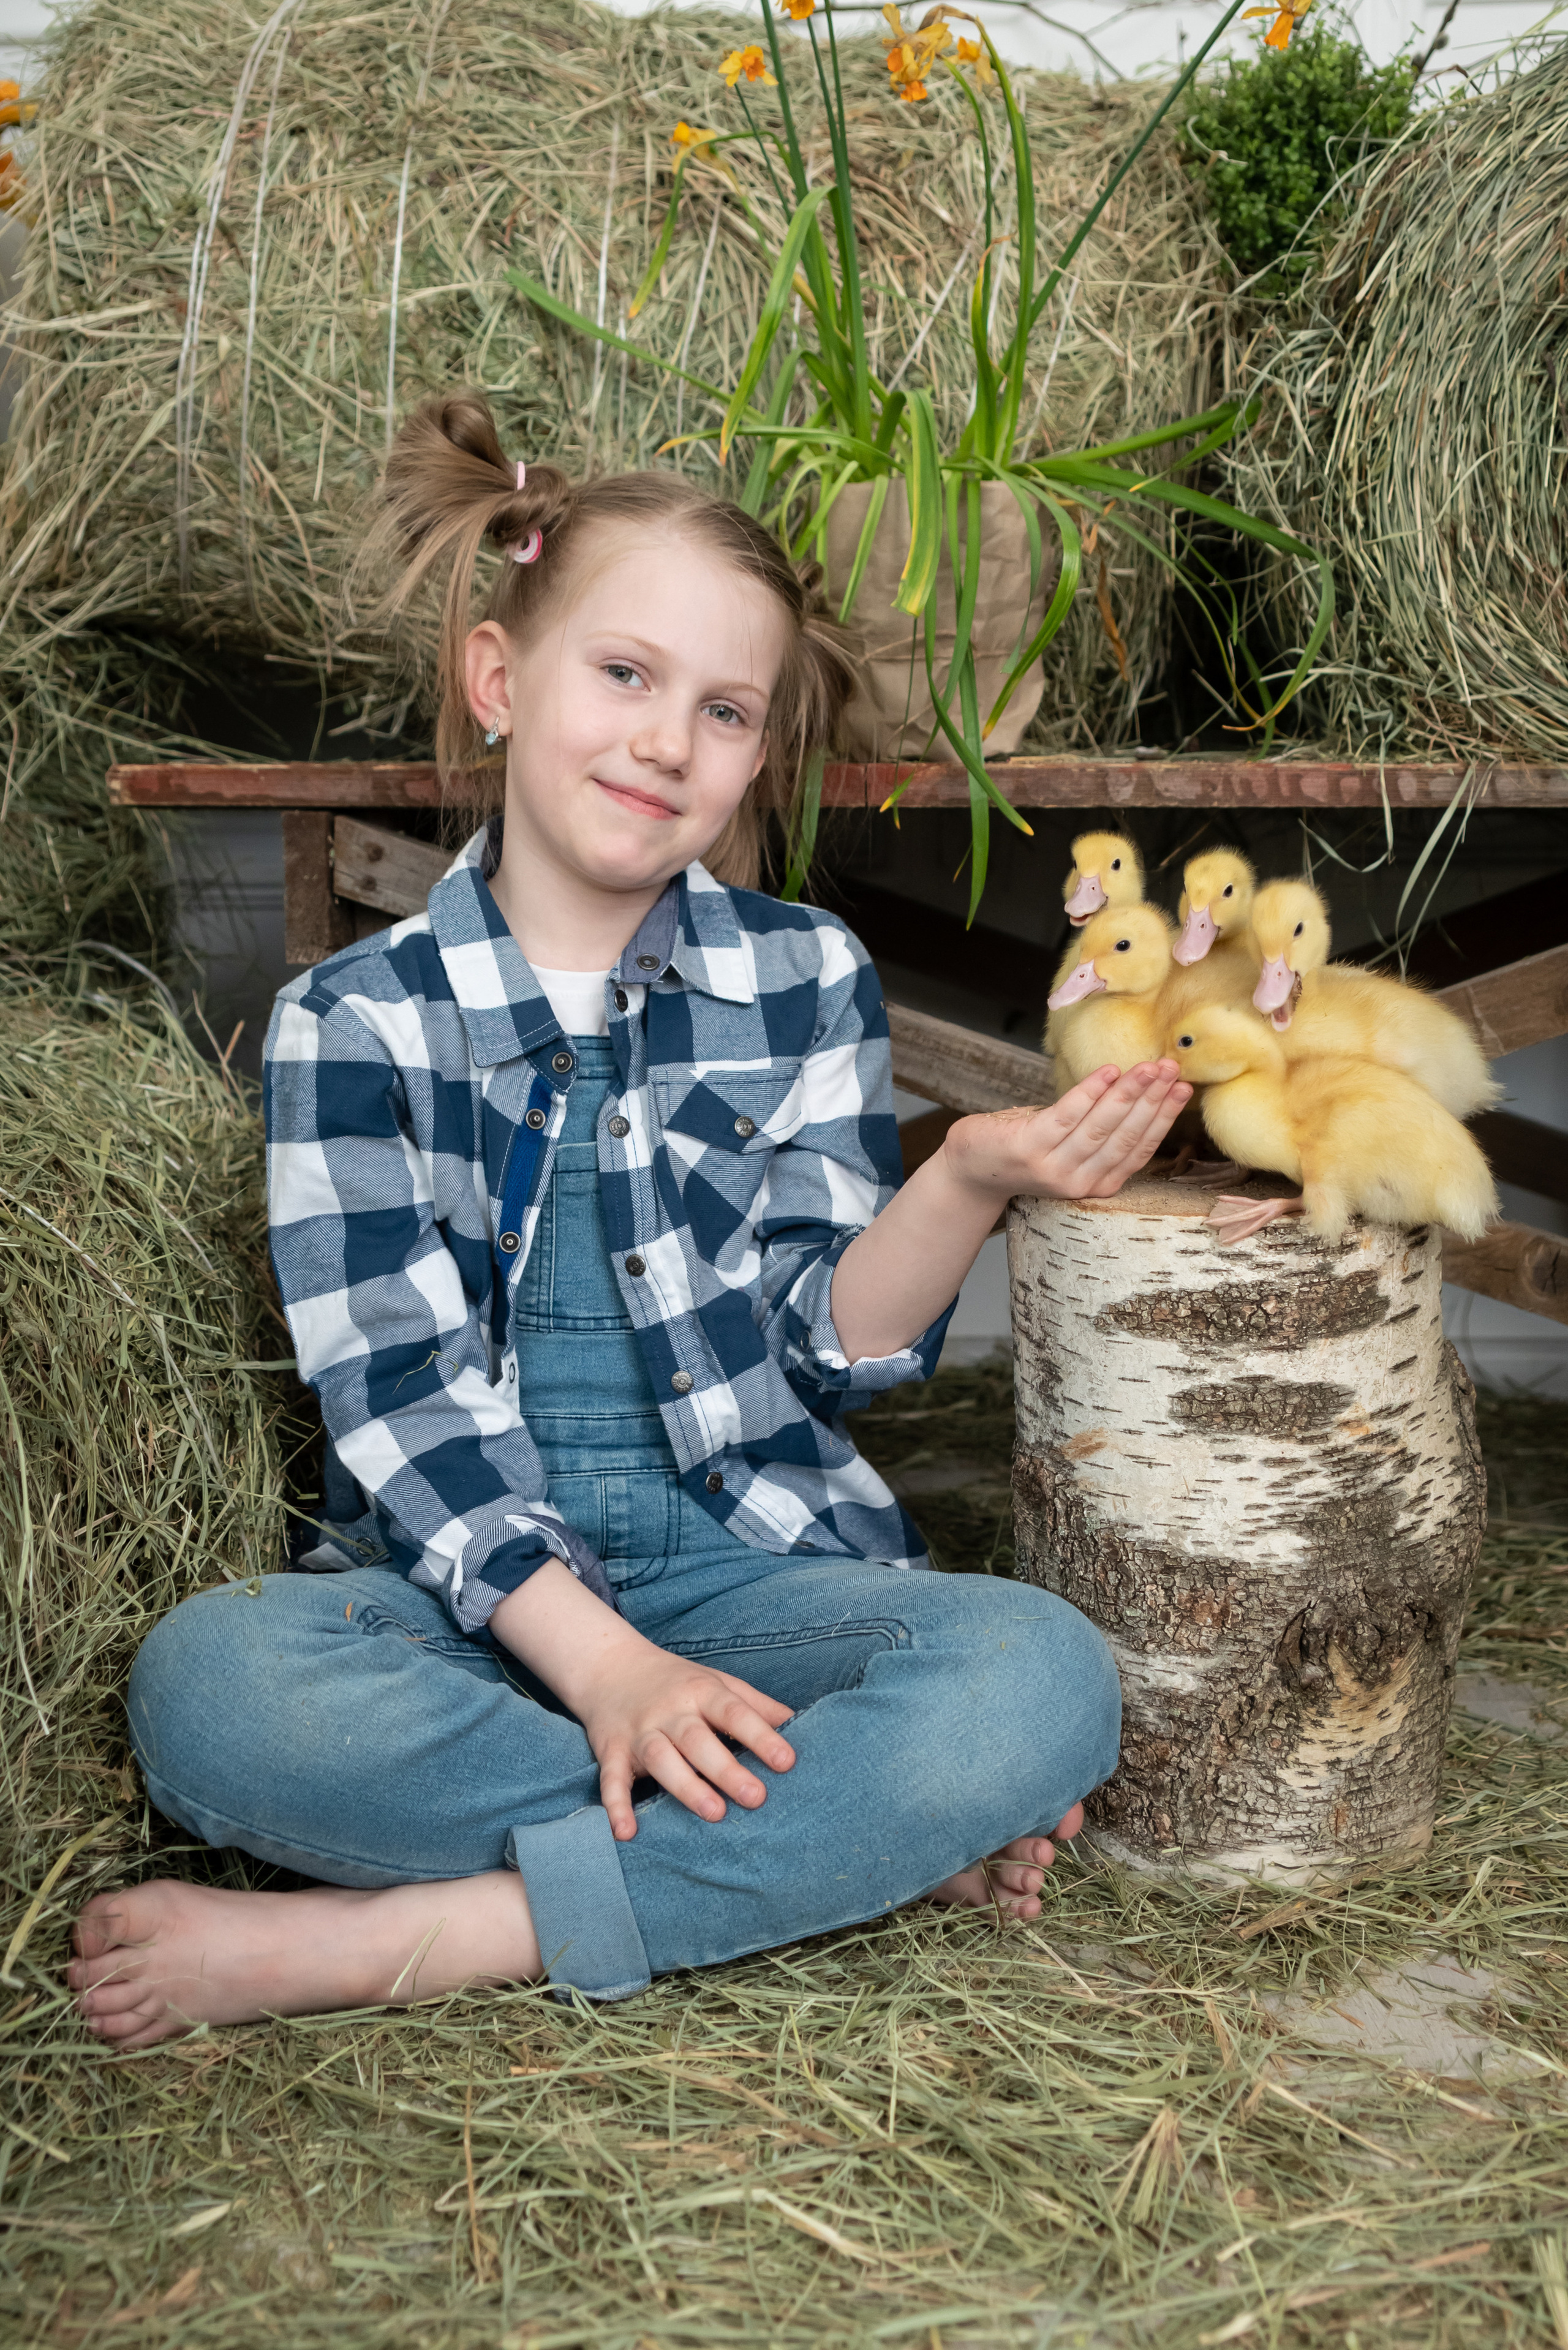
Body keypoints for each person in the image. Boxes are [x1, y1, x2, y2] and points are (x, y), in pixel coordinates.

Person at [69, 396, 1190, 2048]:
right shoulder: (357, 1019)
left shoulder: (801, 976)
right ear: (499, 681)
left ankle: (444, 1932)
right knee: (211, 1690)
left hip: (746, 1569)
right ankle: (846, 1851)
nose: (670, 739)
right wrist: (606, 1676)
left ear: (758, 754)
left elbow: (831, 1346)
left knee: (1045, 1677)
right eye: (626, 675)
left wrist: (967, 1180)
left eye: (726, 710)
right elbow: (399, 1407)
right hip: (459, 1596)